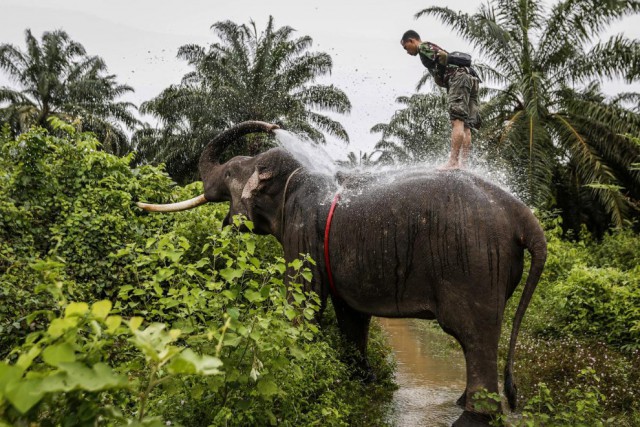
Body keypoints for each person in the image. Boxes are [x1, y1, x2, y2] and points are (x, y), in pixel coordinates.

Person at [401, 30, 480, 169]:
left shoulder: (423, 47)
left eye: (406, 47)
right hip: (471, 79)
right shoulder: (429, 47)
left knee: (457, 120)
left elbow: (443, 57)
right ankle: (464, 164)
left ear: (412, 41)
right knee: (466, 126)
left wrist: (439, 75)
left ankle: (453, 162)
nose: (407, 52)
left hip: (459, 78)